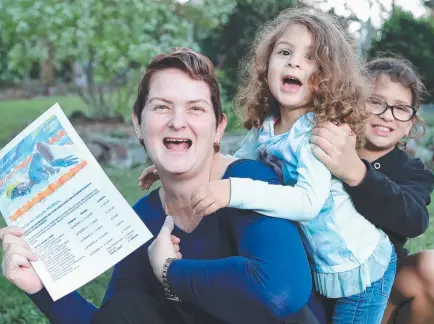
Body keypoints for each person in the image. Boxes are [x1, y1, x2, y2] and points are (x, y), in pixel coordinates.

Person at [0, 48, 321, 324]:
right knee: (128, 307)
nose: (177, 122)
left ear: (219, 127)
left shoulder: (246, 183)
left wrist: (170, 272)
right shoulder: (143, 219)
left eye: (195, 108)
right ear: (138, 123)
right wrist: (40, 286)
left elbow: (280, 293)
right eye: (161, 107)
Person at [140, 8, 395, 324]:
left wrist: (233, 190)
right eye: (284, 52)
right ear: (266, 65)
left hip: (357, 267)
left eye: (311, 57)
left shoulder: (316, 134)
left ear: (329, 76)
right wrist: (174, 169)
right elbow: (234, 161)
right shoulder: (267, 127)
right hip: (322, 261)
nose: (294, 62)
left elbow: (307, 203)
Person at [309, 57, 434, 324]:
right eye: (376, 102)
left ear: (410, 122)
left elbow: (412, 219)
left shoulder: (413, 172)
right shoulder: (324, 146)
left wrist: (357, 173)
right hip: (315, 280)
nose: (387, 114)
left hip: (376, 290)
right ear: (354, 103)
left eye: (401, 108)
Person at [6, 141, 79, 199]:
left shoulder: (33, 173)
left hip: (69, 154)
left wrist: (52, 161)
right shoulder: (37, 186)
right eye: (19, 196)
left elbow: (39, 145)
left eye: (19, 192)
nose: (22, 194)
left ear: (19, 184)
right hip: (71, 162)